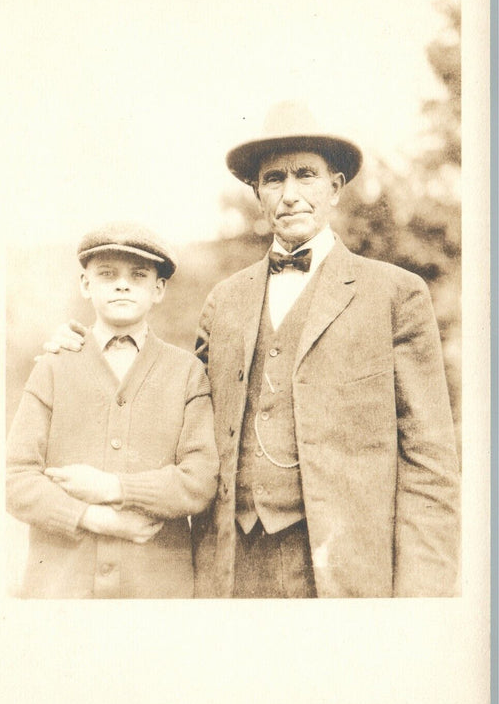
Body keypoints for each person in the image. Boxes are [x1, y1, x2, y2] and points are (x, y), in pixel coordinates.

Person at [43, 102, 460, 598]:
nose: (290, 195)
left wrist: (421, 603)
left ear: (336, 186)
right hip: (231, 568)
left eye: (306, 175)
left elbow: (430, 470)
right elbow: (167, 404)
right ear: (258, 194)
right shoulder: (224, 301)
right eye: (273, 179)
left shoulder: (395, 295)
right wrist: (89, 351)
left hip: (345, 575)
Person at [6, 223, 219, 598]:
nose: (122, 285)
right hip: (62, 588)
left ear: (158, 289)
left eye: (138, 276)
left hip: (155, 588)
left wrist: (114, 488)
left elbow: (199, 481)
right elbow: (16, 480)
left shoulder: (187, 373)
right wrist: (96, 518)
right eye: (107, 275)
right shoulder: (53, 366)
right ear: (85, 285)